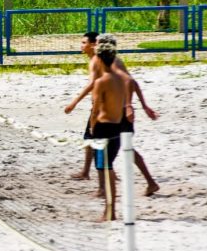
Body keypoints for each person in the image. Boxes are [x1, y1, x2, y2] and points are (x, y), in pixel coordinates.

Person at [64, 32, 160, 196]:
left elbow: (126, 81)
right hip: (113, 110)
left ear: (96, 45)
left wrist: (74, 102)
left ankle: (103, 186)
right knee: (107, 144)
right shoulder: (105, 61)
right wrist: (142, 106)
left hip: (111, 113)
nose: (82, 45)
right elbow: (128, 82)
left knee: (99, 144)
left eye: (84, 42)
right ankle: (93, 174)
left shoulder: (103, 62)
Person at [90, 41, 128, 221]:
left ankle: (110, 211)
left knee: (106, 170)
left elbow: (95, 110)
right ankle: (110, 210)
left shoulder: (101, 82)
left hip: (103, 129)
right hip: (117, 127)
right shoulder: (121, 79)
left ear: (99, 59)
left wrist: (92, 127)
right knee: (109, 168)